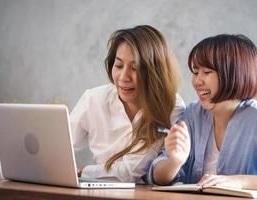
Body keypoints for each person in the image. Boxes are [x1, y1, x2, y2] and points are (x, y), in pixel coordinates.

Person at [148, 34, 257, 193]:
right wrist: (174, 161)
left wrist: (241, 181)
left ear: (235, 73)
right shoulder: (193, 114)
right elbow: (157, 176)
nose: (197, 81)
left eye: (207, 72)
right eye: (195, 72)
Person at [70, 25, 185, 183]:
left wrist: (83, 171)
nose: (124, 77)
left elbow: (131, 172)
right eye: (118, 66)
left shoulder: (171, 105)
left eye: (135, 68)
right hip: (96, 191)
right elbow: (58, 147)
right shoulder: (93, 99)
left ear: (154, 71)